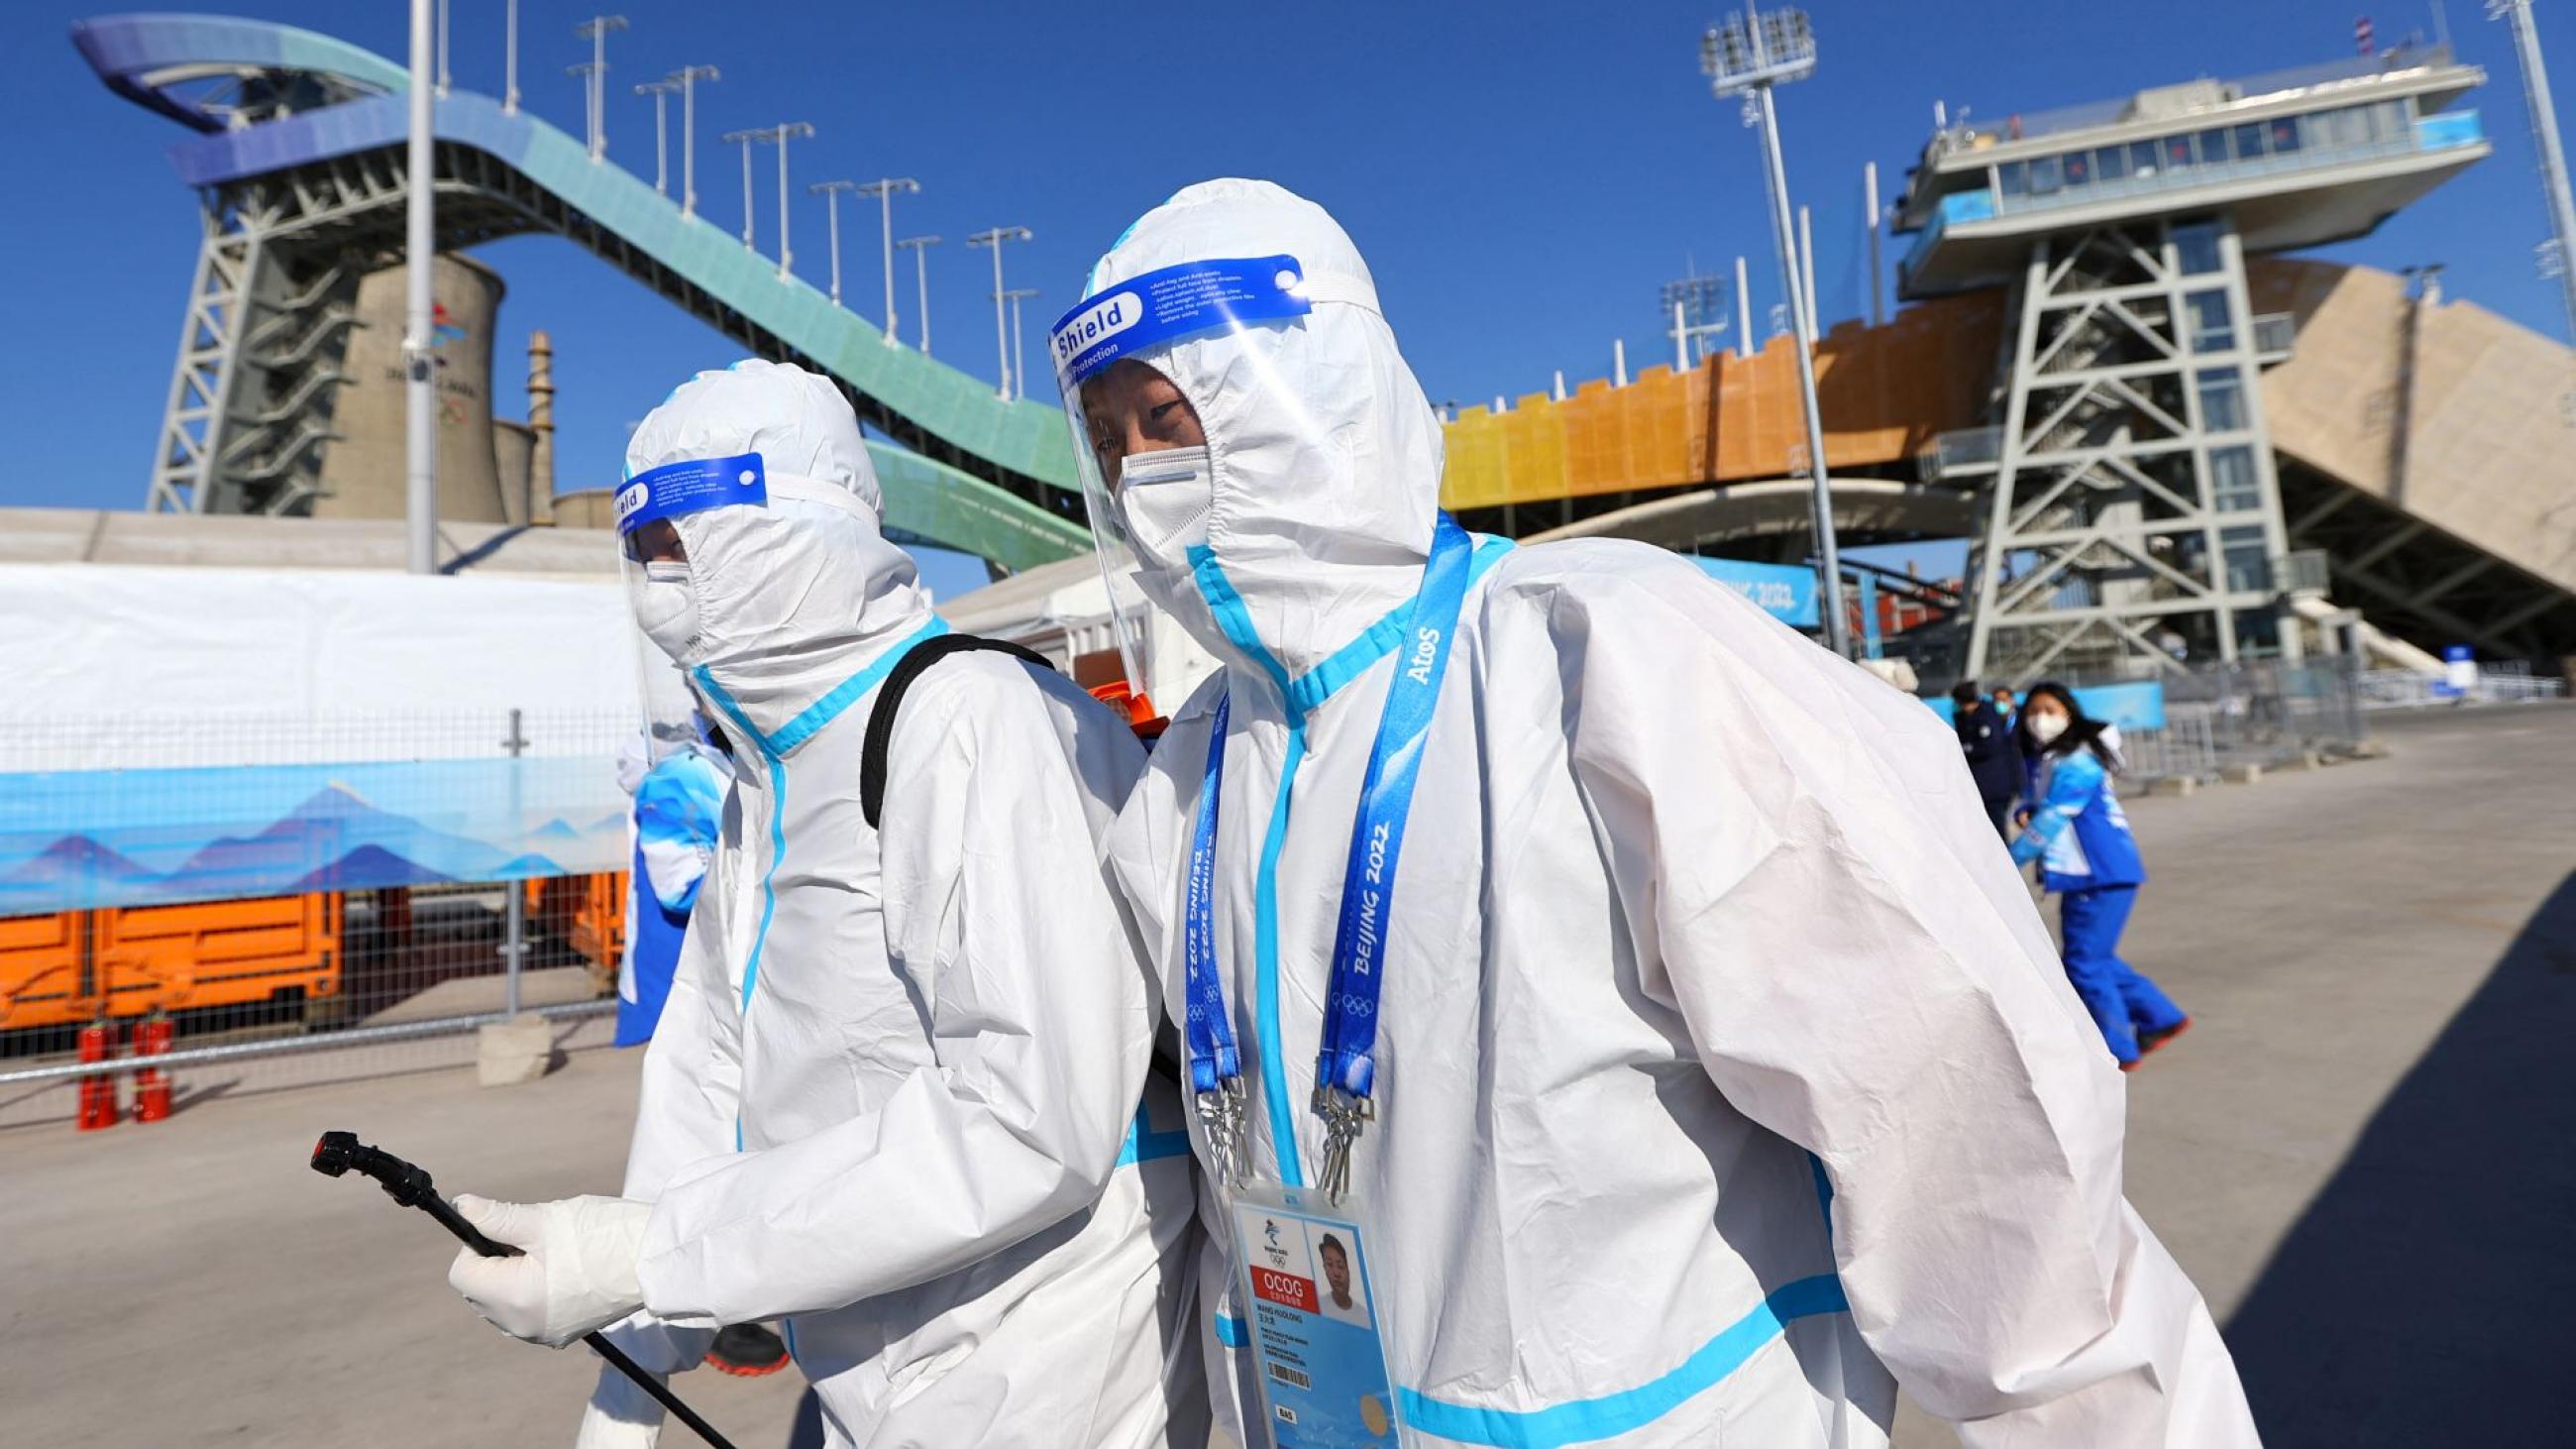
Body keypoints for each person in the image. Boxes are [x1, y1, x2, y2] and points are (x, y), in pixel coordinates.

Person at [1074, 180, 2257, 1447]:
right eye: (1108, 439)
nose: (1142, 471)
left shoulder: (1597, 651)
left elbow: (1955, 1109)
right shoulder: (1191, 771)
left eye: (1169, 415)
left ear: (1318, 390)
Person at [444, 361, 1203, 1448]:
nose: (663, 584)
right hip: (862, 1340)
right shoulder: (768, 780)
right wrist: (629, 1358)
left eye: (686, 542)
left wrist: (654, 1254)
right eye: (644, 552)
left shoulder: (967, 720)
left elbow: (1028, 1121)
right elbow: (708, 1072)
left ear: (793, 528)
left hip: (1036, 1346)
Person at [2011, 682, 2193, 1070]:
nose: (2039, 719)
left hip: (2097, 871)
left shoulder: (2077, 759)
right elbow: (2042, 804)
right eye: (2032, 712)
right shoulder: (2055, 758)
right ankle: (2161, 1017)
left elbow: (2056, 814)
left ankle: (2119, 1048)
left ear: (2069, 714)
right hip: (2103, 871)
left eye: (2049, 710)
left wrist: (2010, 860)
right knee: (2095, 957)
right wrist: (2025, 809)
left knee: (2083, 963)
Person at [1950, 679, 2022, 838]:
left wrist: (1965, 748)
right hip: (1978, 784)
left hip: (1993, 784)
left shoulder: (1987, 716)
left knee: (1997, 829)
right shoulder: (1963, 718)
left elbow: (1989, 746)